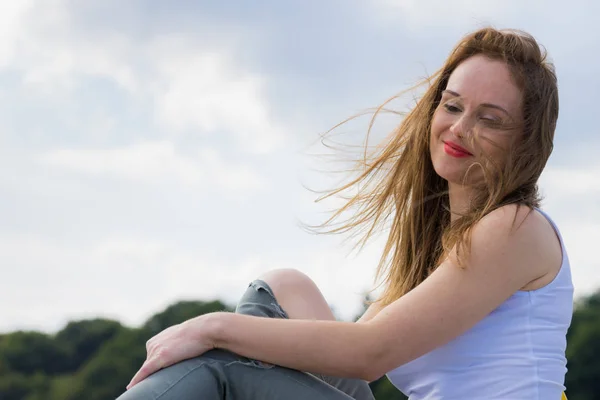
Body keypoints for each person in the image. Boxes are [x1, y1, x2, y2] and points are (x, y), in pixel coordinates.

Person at [117, 27, 573, 400]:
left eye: (490, 119)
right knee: (283, 288)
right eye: (452, 106)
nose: (459, 127)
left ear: (525, 141)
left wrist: (212, 327)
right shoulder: (443, 250)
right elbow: (355, 344)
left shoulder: (514, 228)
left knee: (222, 368)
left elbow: (370, 354)